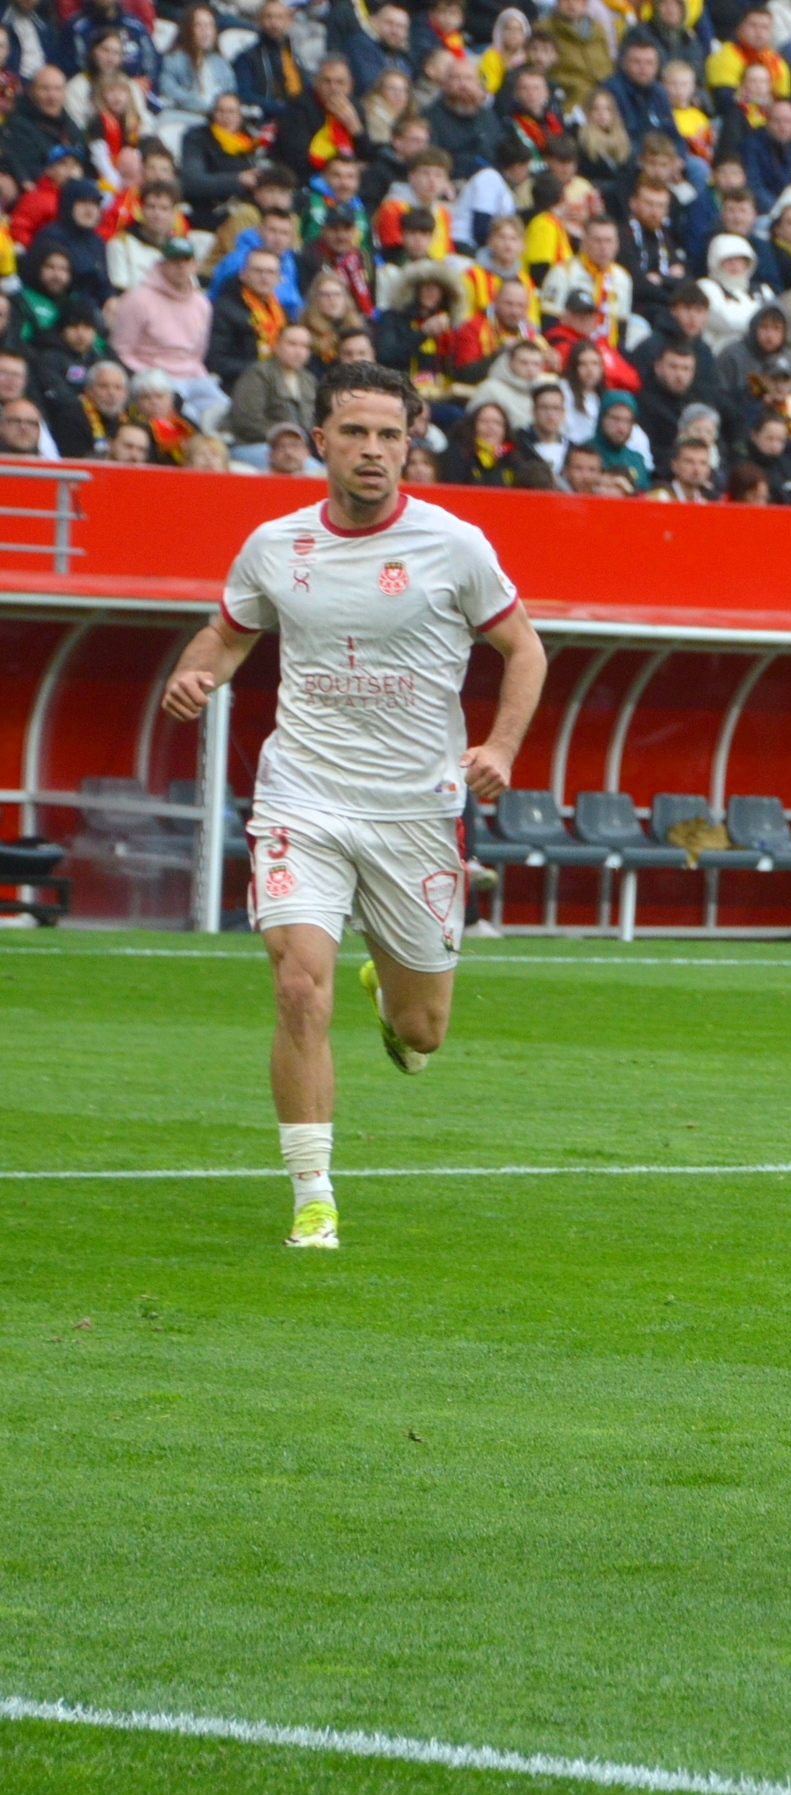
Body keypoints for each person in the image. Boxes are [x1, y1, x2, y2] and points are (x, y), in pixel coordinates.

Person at [156, 361, 549, 1251]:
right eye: (356, 432)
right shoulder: (275, 544)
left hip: (414, 809)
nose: (373, 449)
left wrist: (499, 747)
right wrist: (194, 673)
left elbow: (524, 649)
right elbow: (227, 633)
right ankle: (313, 1196)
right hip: (302, 794)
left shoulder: (455, 545)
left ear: (410, 444)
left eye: (389, 434)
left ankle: (390, 992)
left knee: (423, 1031)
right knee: (298, 984)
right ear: (320, 441)